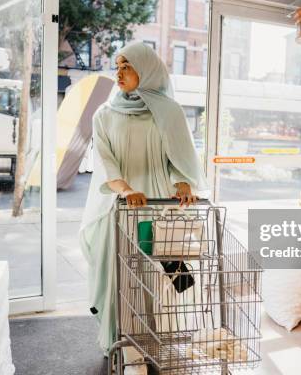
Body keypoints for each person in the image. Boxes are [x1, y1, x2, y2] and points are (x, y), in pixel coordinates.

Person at [78, 42, 208, 363]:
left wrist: (182, 182)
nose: (119, 73)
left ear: (146, 69)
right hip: (123, 208)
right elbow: (105, 160)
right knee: (120, 277)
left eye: (127, 66)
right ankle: (123, 341)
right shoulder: (104, 115)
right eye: (117, 66)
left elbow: (179, 159)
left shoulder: (169, 110)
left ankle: (160, 339)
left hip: (157, 209)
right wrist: (124, 189)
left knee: (158, 277)